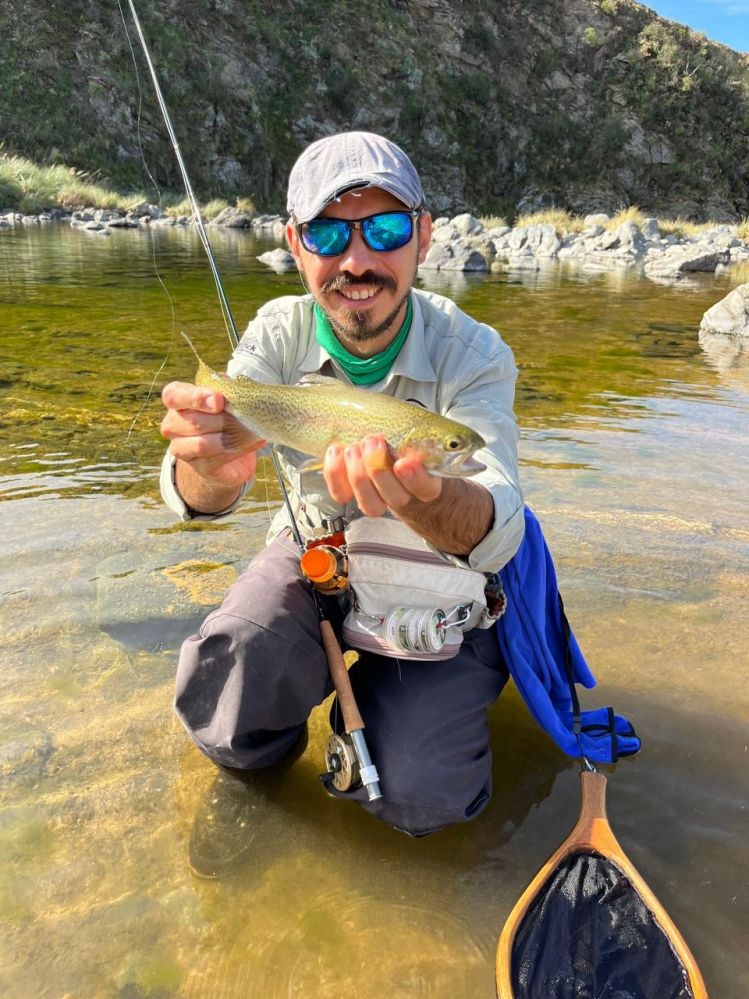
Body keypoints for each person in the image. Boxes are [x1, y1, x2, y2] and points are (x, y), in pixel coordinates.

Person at [160, 131, 525, 853]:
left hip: (441, 584)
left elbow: (498, 523)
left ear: (422, 237)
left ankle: (389, 724)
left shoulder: (475, 352)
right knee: (225, 702)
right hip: (315, 556)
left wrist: (425, 498)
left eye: (384, 228)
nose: (356, 260)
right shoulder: (276, 332)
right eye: (329, 232)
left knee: (425, 800)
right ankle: (263, 791)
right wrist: (209, 468)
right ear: (296, 244)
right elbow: (199, 497)